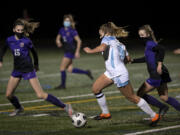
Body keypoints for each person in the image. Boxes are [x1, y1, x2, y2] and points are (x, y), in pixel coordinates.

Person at [84, 22, 160, 126]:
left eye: (100, 30)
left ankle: (154, 115)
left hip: (118, 74)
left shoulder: (106, 38)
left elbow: (102, 48)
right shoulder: (120, 44)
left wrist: (90, 50)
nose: (99, 32)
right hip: (112, 72)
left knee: (132, 97)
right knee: (96, 89)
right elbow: (127, 59)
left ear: (105, 31)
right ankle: (106, 113)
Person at [0, 19, 73, 117]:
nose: (20, 32)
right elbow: (3, 49)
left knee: (40, 94)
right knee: (8, 95)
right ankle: (18, 108)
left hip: (28, 69)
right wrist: (0, 60)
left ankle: (65, 106)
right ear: (14, 30)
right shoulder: (9, 40)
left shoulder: (26, 40)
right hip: (17, 70)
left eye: (22, 30)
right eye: (18, 30)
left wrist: (36, 65)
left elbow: (34, 53)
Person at [131, 25, 180, 118]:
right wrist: (133, 61)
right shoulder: (149, 44)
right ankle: (164, 106)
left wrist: (160, 65)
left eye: (142, 35)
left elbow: (162, 49)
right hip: (162, 73)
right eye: (139, 35)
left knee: (140, 94)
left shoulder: (150, 43)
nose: (141, 37)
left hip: (157, 73)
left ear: (148, 34)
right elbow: (147, 58)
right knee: (164, 97)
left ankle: (162, 107)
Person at [55, 14, 93, 90]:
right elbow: (58, 38)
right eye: (66, 21)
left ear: (71, 22)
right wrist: (58, 41)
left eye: (68, 21)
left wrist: (77, 52)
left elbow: (79, 41)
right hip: (66, 50)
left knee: (62, 68)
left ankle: (63, 85)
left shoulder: (72, 31)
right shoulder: (61, 30)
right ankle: (87, 72)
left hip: (70, 50)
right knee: (70, 69)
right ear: (63, 22)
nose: (67, 22)